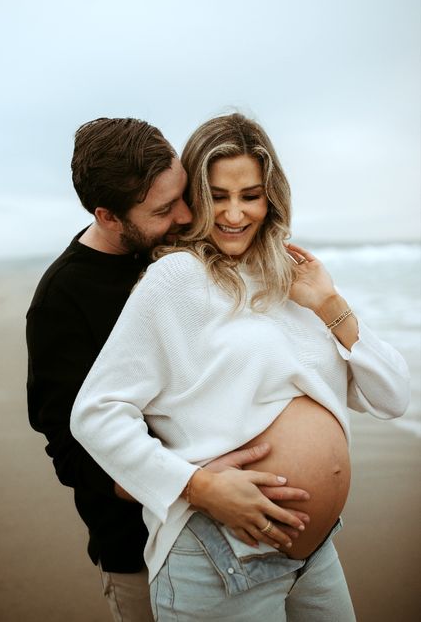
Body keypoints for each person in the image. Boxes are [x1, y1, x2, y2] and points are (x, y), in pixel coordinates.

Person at [70, 112, 410, 621]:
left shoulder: (292, 277)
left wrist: (330, 304)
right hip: (218, 557)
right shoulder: (175, 279)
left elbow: (392, 397)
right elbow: (95, 413)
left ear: (271, 195)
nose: (233, 214)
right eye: (217, 196)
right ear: (197, 199)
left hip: (313, 558)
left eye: (249, 195)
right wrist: (194, 485)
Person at [26, 117, 311, 622]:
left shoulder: (181, 251)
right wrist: (195, 486)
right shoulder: (62, 301)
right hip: (141, 550)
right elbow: (72, 454)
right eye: (163, 209)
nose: (185, 215)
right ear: (109, 216)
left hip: (252, 535)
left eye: (184, 194)